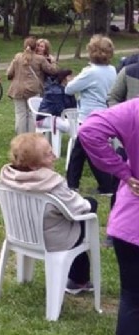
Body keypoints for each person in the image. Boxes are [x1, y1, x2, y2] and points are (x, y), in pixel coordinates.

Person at [0, 133, 97, 293]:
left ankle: (78, 279)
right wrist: (90, 204)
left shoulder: (8, 178)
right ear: (33, 165)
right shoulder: (53, 185)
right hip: (53, 240)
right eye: (48, 154)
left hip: (19, 233)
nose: (55, 156)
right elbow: (80, 208)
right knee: (90, 208)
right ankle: (79, 280)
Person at [79, 100, 139, 335]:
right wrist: (123, 172)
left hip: (130, 222)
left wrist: (123, 172)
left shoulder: (134, 108)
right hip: (132, 220)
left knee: (133, 300)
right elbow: (90, 131)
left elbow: (89, 130)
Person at [65, 35, 116, 195]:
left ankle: (106, 186)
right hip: (105, 115)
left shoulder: (90, 72)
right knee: (79, 153)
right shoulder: (112, 70)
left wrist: (73, 79)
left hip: (88, 117)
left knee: (89, 152)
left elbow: (69, 89)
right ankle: (72, 183)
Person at [6, 36, 57, 134]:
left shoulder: (17, 57)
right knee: (31, 114)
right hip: (33, 90)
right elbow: (53, 71)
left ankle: (21, 138)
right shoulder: (40, 59)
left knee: (20, 114)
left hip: (17, 89)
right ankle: (31, 138)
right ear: (35, 47)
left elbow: (9, 73)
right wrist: (53, 61)